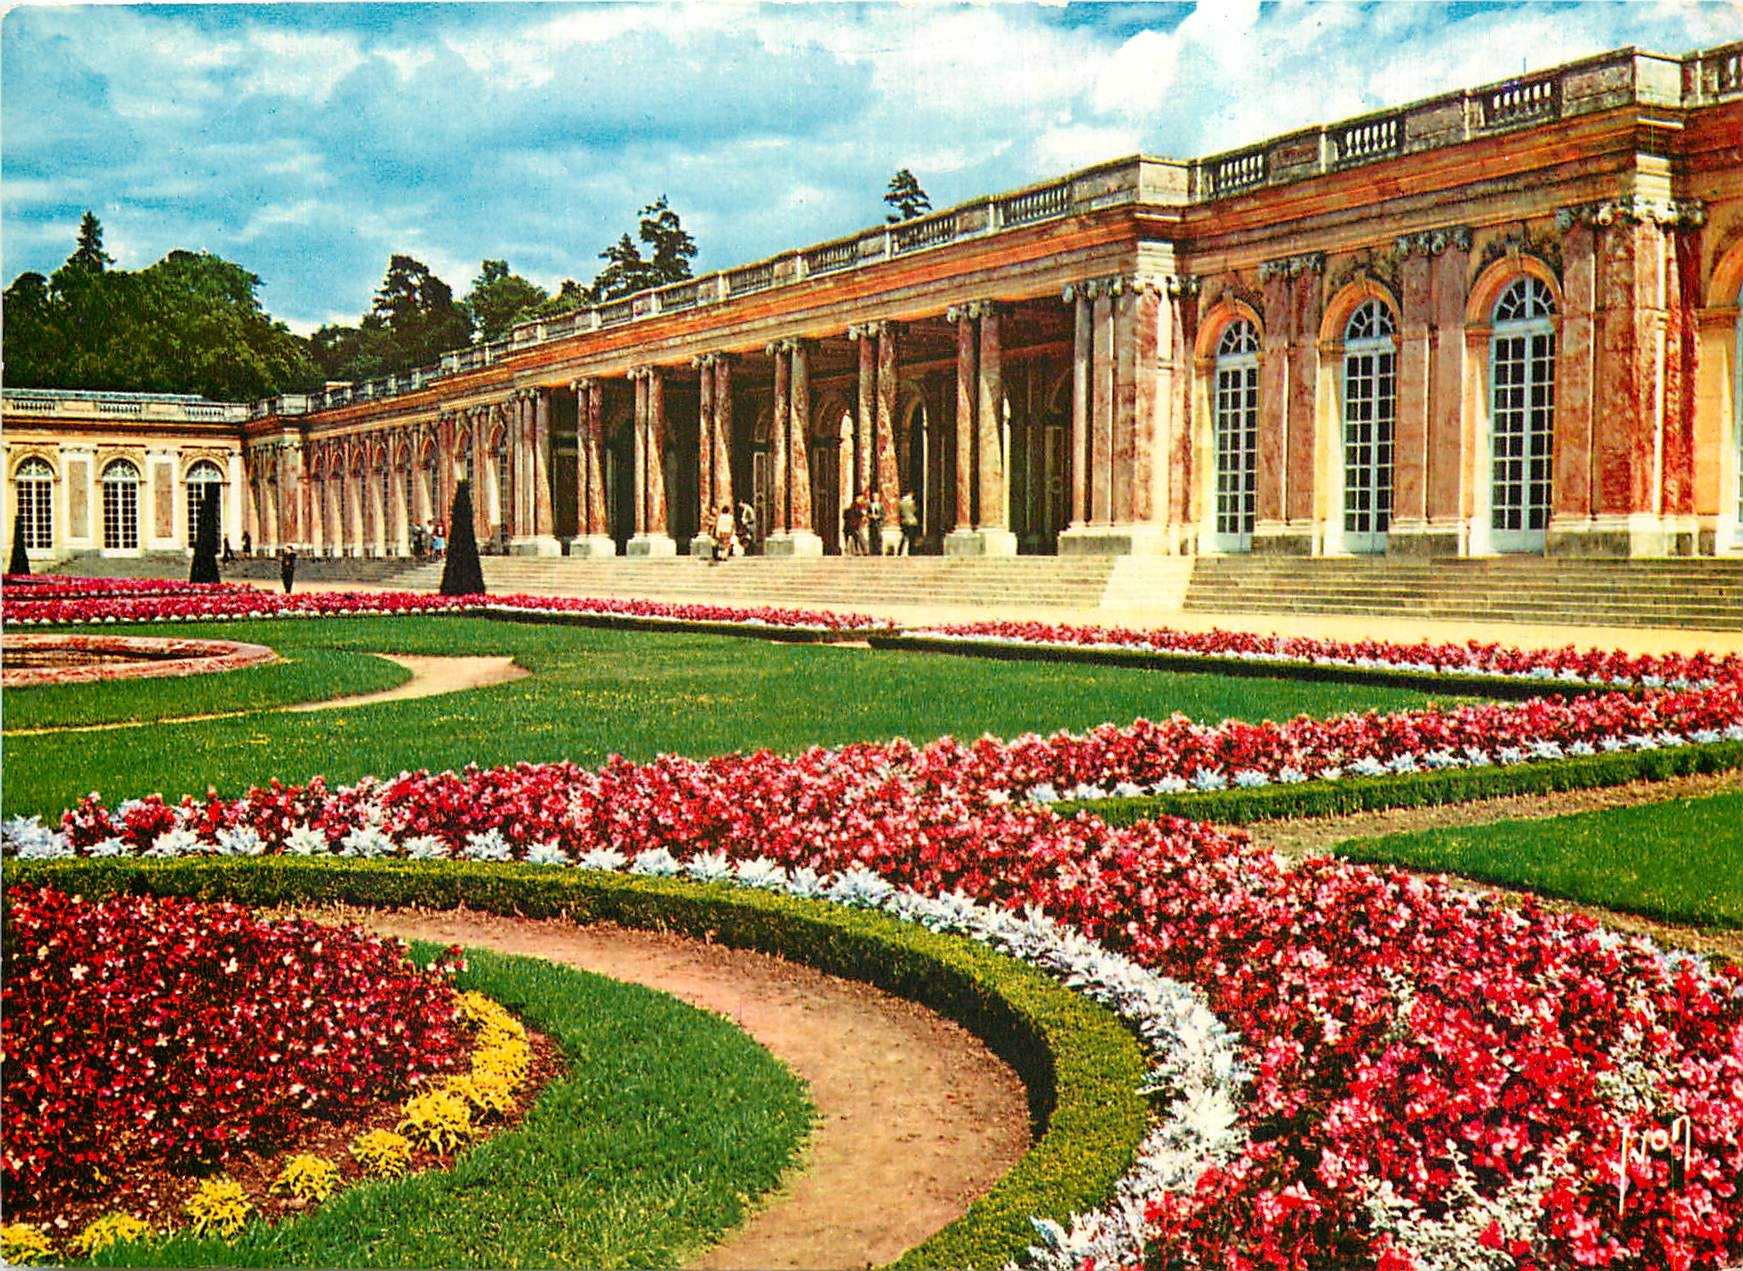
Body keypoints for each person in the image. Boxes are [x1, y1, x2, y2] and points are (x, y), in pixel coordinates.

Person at [898, 490, 919, 556]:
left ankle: (900, 551)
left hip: (904, 521)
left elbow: (900, 512)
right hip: (911, 521)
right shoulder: (911, 502)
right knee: (911, 538)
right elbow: (914, 511)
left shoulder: (901, 502)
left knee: (904, 537)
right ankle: (911, 552)